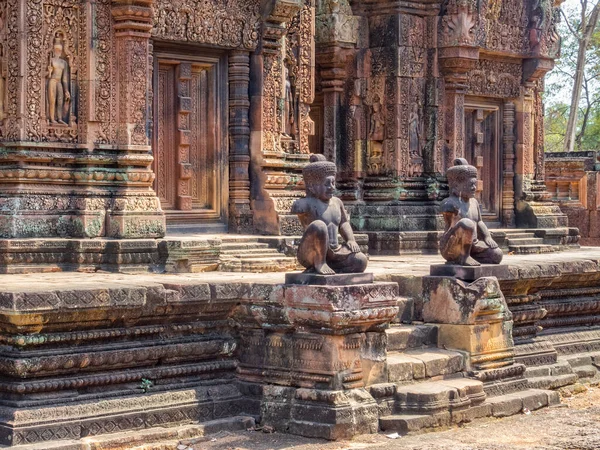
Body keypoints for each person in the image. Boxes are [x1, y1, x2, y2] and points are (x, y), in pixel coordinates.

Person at [292, 154, 368, 274]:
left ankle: (332, 268)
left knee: (361, 260)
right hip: (311, 253)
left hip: (335, 252)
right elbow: (310, 227)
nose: (332, 188)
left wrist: (350, 240)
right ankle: (320, 263)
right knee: (319, 225)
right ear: (312, 186)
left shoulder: (337, 202)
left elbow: (343, 223)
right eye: (327, 184)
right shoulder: (305, 204)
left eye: (333, 183)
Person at [440, 158, 503, 266]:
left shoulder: (474, 202)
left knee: (497, 255)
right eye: (470, 185)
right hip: (452, 247)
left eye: (475, 184)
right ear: (456, 186)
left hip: (472, 245)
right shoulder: (449, 203)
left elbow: (479, 222)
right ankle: (464, 257)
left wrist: (487, 237)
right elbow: (452, 227)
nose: (474, 188)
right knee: (466, 223)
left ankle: (469, 255)